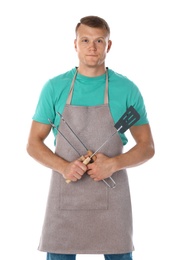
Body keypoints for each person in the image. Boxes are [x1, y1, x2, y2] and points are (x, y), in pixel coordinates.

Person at [26, 15, 155, 260]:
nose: (92, 47)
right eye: (85, 40)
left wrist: (114, 164)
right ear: (75, 44)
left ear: (109, 45)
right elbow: (33, 143)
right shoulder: (54, 88)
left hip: (112, 198)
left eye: (99, 41)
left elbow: (147, 146)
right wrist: (64, 167)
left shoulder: (127, 90)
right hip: (65, 199)